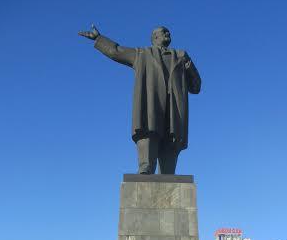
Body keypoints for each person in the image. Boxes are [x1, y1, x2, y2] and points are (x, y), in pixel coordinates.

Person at [79, 25, 201, 175]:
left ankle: (168, 174)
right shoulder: (142, 54)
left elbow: (196, 87)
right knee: (148, 133)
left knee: (171, 143)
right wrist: (99, 38)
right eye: (164, 32)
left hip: (174, 108)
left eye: (168, 31)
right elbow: (117, 51)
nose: (168, 33)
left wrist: (190, 69)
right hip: (151, 103)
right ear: (154, 37)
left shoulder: (181, 56)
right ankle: (146, 167)